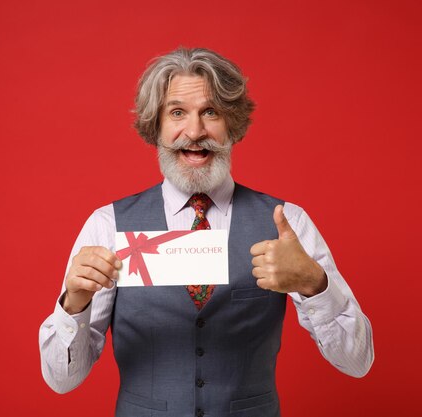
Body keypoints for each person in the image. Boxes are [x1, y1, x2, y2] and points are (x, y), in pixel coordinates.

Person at [39, 47, 374, 417]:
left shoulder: (287, 223)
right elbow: (61, 381)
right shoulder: (107, 225)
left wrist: (315, 283)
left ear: (232, 124)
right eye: (177, 113)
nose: (195, 132)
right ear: (157, 127)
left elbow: (357, 362)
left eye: (210, 112)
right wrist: (75, 304)